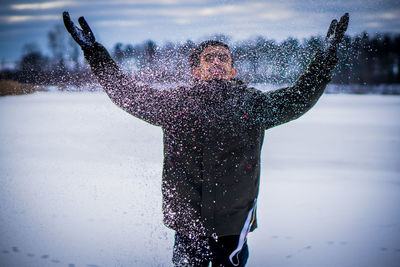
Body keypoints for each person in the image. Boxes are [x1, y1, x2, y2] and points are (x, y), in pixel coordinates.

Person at [63, 11, 349, 266]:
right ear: (196, 71)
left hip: (234, 222)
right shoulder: (177, 104)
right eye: (208, 58)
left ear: (233, 70)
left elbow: (299, 97)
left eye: (223, 57)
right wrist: (95, 54)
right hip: (188, 222)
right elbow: (127, 94)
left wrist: (325, 57)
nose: (216, 62)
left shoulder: (253, 105)